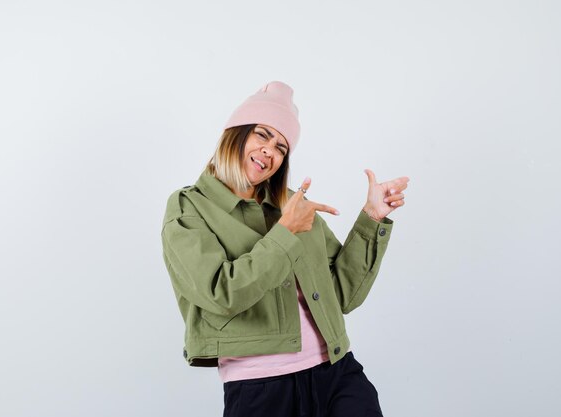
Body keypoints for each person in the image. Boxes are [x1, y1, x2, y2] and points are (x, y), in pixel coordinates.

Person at [161, 81, 409, 417]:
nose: (270, 151)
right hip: (261, 388)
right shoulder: (189, 207)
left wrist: (372, 218)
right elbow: (221, 294)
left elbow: (342, 295)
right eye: (262, 134)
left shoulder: (290, 205)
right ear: (235, 134)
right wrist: (285, 231)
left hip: (337, 373)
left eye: (281, 147)